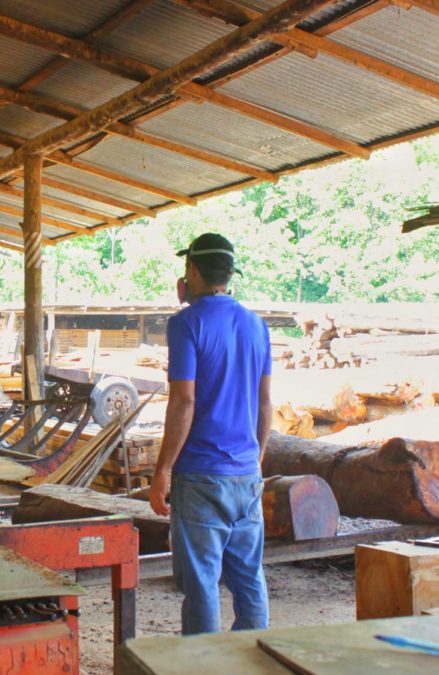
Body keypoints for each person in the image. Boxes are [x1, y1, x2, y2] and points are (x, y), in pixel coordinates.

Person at [148, 233, 272, 635]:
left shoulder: (186, 324)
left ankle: (203, 664)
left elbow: (184, 401)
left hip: (200, 476)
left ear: (193, 271)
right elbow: (265, 401)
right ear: (229, 274)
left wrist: (163, 469)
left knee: (202, 584)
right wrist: (256, 459)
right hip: (245, 475)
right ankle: (253, 661)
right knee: (248, 579)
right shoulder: (257, 325)